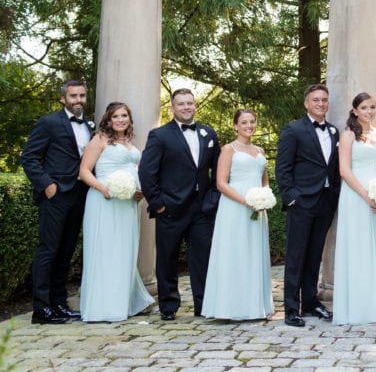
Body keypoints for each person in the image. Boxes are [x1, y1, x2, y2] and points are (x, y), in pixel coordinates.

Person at [139, 88, 221, 321]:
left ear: (195, 105)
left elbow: (218, 171)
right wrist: (158, 204)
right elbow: (147, 173)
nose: (186, 107)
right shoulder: (159, 135)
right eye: (181, 104)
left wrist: (212, 201)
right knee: (167, 257)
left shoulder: (208, 133)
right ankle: (168, 305)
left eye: (190, 103)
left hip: (202, 208)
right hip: (171, 208)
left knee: (202, 257)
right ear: (172, 107)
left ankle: (203, 304)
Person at [21, 80, 93, 324]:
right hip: (56, 195)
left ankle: (59, 303)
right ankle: (41, 309)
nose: (78, 100)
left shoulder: (90, 125)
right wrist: (47, 185)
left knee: (66, 251)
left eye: (82, 96)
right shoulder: (48, 123)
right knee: (48, 250)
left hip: (80, 194)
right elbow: (29, 158)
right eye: (73, 96)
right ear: (63, 99)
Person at [77, 102, 154, 322]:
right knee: (105, 251)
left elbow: (135, 170)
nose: (120, 120)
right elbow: (84, 171)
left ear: (129, 119)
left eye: (124, 116)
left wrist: (139, 192)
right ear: (108, 120)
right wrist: (105, 189)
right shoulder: (100, 139)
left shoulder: (128, 143)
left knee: (124, 252)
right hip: (104, 201)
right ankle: (102, 307)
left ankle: (123, 302)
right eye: (116, 116)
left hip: (128, 204)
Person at [275, 84, 340, 327]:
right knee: (296, 256)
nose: (321, 104)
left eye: (324, 100)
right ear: (306, 103)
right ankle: (291, 308)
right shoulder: (293, 130)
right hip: (301, 201)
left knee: (314, 255)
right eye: (316, 100)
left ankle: (310, 303)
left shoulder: (334, 131)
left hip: (325, 201)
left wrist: (334, 195)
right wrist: (291, 197)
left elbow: (333, 168)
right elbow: (282, 168)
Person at [333, 92, 376, 325]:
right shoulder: (349, 135)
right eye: (364, 108)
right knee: (359, 248)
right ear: (355, 111)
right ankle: (360, 307)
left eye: (372, 107)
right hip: (355, 197)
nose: (369, 111)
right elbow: (344, 170)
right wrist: (366, 195)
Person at [203, 109, 274, 321]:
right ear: (235, 125)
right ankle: (229, 306)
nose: (249, 125)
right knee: (234, 253)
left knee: (254, 253)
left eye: (252, 121)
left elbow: (264, 180)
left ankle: (255, 305)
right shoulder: (228, 149)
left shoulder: (259, 150)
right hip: (234, 208)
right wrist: (246, 201)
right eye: (244, 122)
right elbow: (221, 184)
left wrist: (264, 197)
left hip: (257, 209)